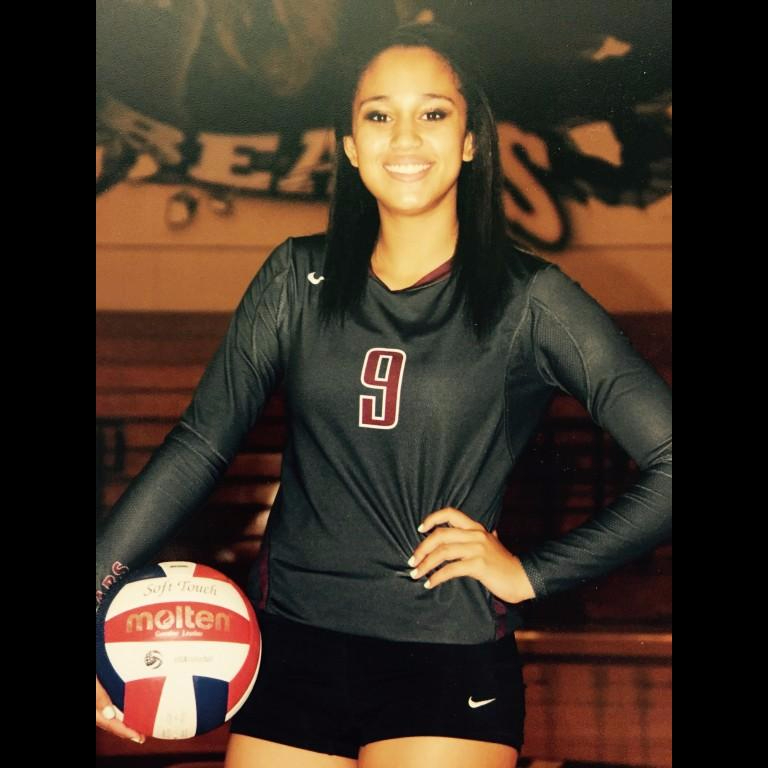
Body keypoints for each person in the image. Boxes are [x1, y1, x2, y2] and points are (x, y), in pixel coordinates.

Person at [96, 21, 672, 768]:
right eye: (378, 114)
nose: (404, 136)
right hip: (290, 650)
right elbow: (199, 446)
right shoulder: (293, 279)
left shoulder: (532, 300)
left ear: (471, 140)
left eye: (432, 112)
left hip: (445, 666)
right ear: (349, 144)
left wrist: (531, 574)